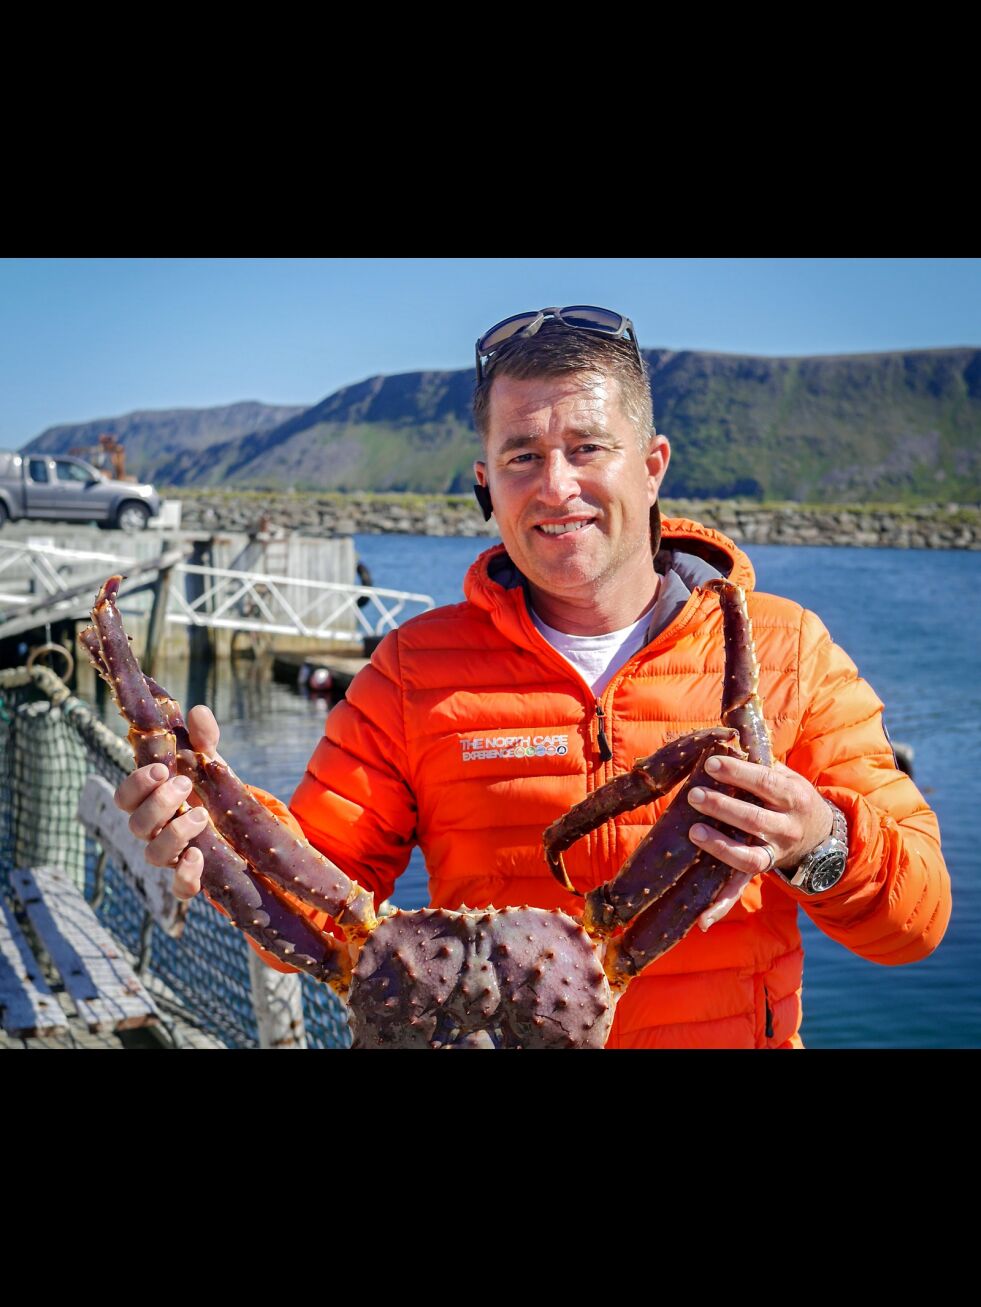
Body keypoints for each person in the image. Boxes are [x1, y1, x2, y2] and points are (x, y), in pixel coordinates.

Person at [114, 305, 951, 1048]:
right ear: (485, 482)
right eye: (521, 455)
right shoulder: (412, 670)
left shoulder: (783, 651)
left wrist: (817, 842)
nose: (556, 486)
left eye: (586, 447)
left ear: (652, 464)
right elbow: (305, 918)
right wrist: (212, 824)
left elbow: (916, 922)